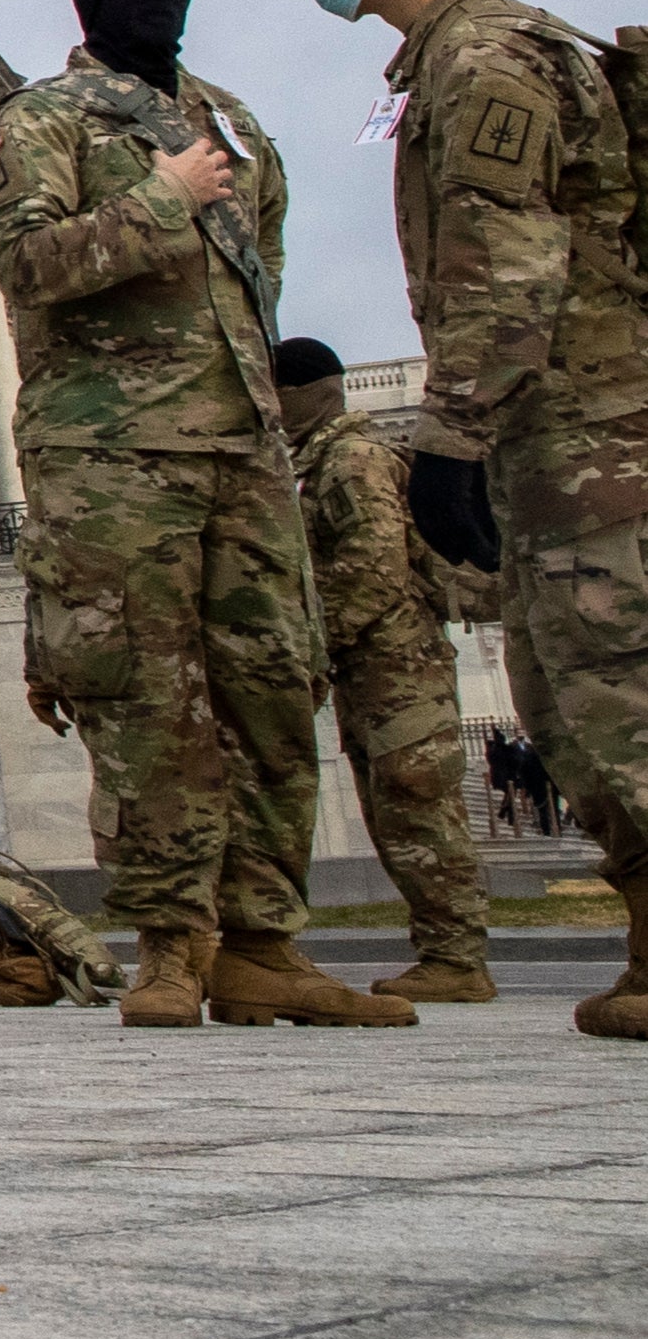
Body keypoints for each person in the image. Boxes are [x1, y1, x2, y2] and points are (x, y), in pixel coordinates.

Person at [0, 0, 399, 1029]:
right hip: (111, 456)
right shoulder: (41, 119)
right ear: (88, 1)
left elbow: (259, 279)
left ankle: (263, 942)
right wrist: (161, 196)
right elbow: (23, 263)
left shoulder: (233, 123)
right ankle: (171, 943)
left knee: (270, 692)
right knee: (144, 709)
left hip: (242, 446)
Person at [308, 0, 648, 1041]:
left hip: (585, 432)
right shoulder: (469, 54)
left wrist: (452, 436)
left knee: (613, 698)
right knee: (567, 701)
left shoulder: (487, 57)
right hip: (563, 426)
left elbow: (508, 265)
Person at [267, 337, 490, 1005]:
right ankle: (444, 952)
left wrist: (315, 643)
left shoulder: (350, 460)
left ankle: (456, 958)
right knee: (395, 810)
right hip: (373, 667)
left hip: (396, 665)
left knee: (418, 808)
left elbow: (373, 566)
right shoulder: (325, 459)